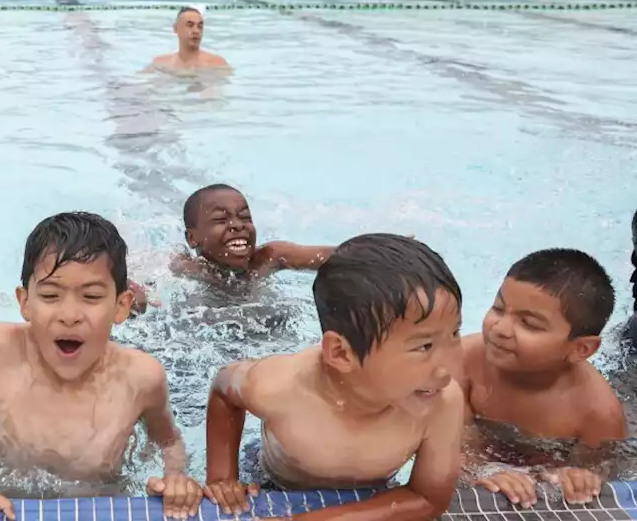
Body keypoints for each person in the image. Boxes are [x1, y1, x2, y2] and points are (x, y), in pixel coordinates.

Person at [0, 212, 203, 520]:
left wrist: (175, 478)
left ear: (121, 306)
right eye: (50, 295)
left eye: (91, 297)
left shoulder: (141, 377)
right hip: (5, 505)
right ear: (25, 302)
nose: (69, 314)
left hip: (100, 510)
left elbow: (168, 441)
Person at [205, 233, 464, 520]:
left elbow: (428, 498)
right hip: (274, 481)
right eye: (424, 346)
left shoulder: (442, 401)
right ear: (341, 354)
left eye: (454, 334)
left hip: (377, 493)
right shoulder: (278, 388)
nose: (447, 368)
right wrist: (222, 477)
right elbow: (224, 389)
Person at [461, 249, 623, 508]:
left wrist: (580, 479)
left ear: (580, 349)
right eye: (499, 308)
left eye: (530, 324)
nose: (500, 329)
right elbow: (445, 446)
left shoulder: (597, 412)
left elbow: (603, 471)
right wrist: (482, 472)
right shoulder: (464, 363)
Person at [171, 184, 332, 283]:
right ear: (192, 238)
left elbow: (338, 256)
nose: (238, 225)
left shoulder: (267, 259)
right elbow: (153, 270)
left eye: (245, 217)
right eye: (221, 219)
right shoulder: (186, 268)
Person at [146, 7, 230, 73]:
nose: (196, 31)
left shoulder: (216, 64)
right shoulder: (161, 63)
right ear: (176, 28)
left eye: (200, 26)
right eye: (190, 25)